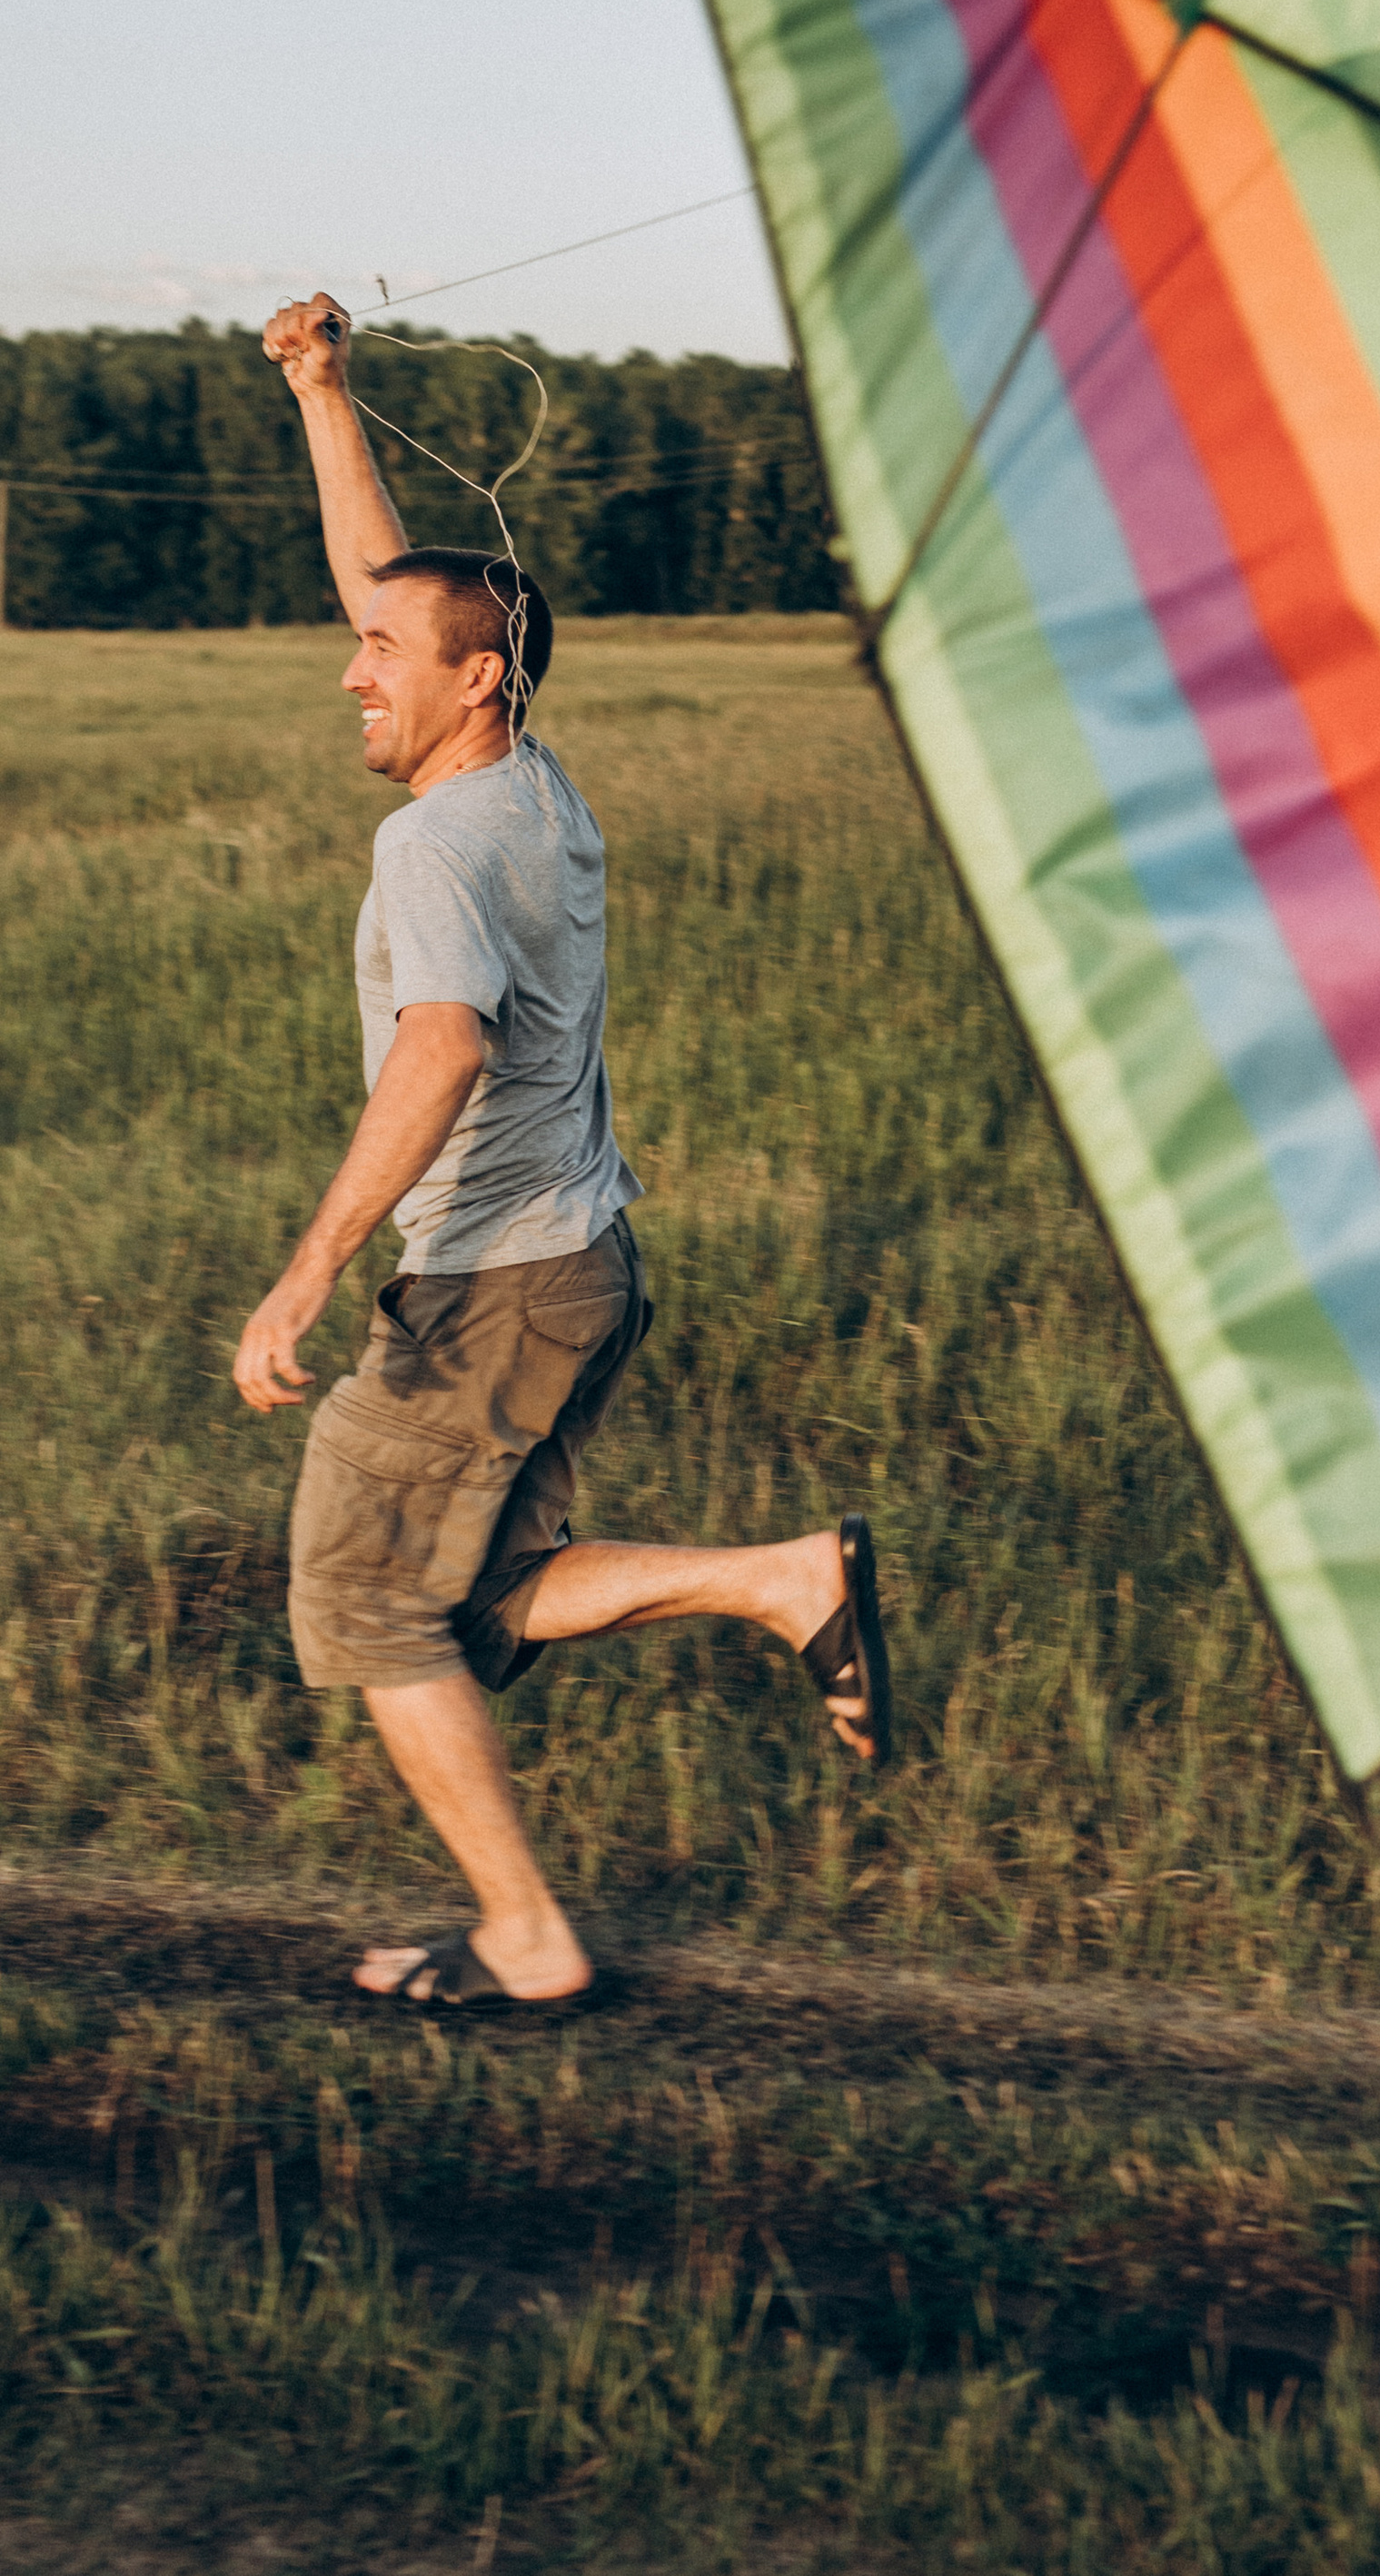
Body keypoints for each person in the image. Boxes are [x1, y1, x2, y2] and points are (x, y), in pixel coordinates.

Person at [236, 293, 890, 2016]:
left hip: (492, 1284)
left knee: (366, 1599)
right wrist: (325, 394)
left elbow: (441, 1048)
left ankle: (529, 1935)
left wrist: (309, 1267)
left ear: (480, 677)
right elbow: (399, 594)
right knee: (485, 1592)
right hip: (574, 1265)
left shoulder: (439, 850)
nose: (349, 670)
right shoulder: (535, 783)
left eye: (384, 657)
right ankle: (783, 1580)